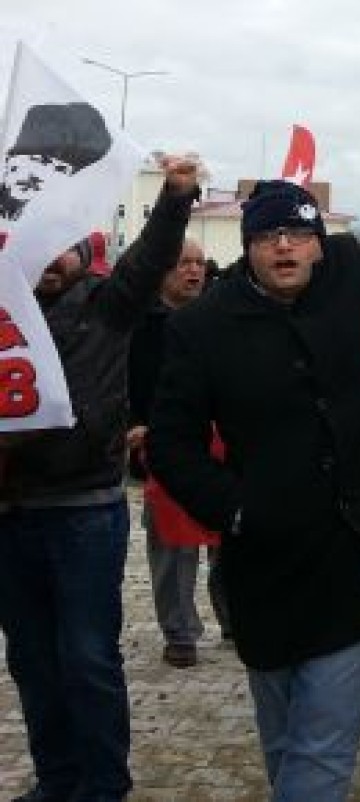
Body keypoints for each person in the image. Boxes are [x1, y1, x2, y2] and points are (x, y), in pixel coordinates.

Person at [145, 84, 360, 801]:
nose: (285, 245)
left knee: (321, 745)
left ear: (317, 240)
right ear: (247, 247)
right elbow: (173, 445)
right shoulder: (202, 328)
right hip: (268, 559)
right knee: (285, 738)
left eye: (298, 233)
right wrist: (235, 510)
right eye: (268, 235)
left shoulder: (356, 279)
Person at [0, 156, 199, 802]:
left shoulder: (109, 305)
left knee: (87, 659)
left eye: (60, 248)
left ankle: (103, 784)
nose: (50, 261)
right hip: (10, 511)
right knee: (31, 659)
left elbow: (151, 255)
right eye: (36, 248)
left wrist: (175, 197)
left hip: (85, 510)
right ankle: (56, 778)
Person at [127, 237, 231, 668]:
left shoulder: (224, 318)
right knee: (172, 544)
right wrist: (131, 426)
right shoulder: (138, 324)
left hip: (224, 442)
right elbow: (122, 380)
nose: (193, 271)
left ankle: (237, 621)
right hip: (165, 444)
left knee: (232, 541)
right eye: (182, 263)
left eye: (198, 263)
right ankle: (180, 632)